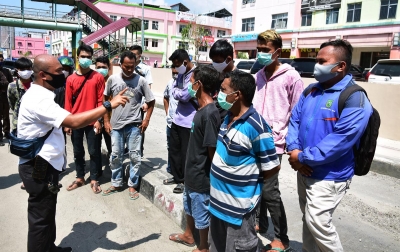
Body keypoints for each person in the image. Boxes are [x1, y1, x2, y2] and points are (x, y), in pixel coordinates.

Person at [17, 54, 128, 252]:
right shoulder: (38, 99)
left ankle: (49, 247)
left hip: (42, 162)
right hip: (37, 164)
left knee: (47, 210)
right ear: (43, 75)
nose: (63, 74)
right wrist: (108, 105)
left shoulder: (41, 94)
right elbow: (74, 121)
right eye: (58, 71)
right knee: (40, 218)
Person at [286, 39, 372, 252]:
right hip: (304, 170)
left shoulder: (355, 98)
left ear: (341, 66)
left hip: (329, 176)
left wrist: (302, 157)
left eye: (322, 61)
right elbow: (294, 120)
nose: (316, 65)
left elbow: (340, 141)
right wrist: (294, 151)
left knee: (318, 223)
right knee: (309, 222)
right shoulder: (311, 91)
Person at [208, 71, 281, 252]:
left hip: (238, 212)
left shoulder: (257, 127)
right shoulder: (227, 117)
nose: (219, 94)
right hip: (217, 206)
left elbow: (272, 167)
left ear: (237, 94)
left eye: (223, 90)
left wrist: (249, 188)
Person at [252, 30, 304, 251]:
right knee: (257, 184)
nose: (262, 53)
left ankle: (282, 239)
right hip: (254, 140)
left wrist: (293, 146)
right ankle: (261, 222)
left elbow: (297, 114)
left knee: (270, 190)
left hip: (275, 143)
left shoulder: (292, 77)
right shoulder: (258, 76)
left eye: (266, 50)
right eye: (259, 49)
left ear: (277, 51)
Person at [168, 65, 221, 252]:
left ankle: (203, 247)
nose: (188, 86)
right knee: (190, 207)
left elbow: (212, 151)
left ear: (198, 84)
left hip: (201, 176)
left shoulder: (209, 113)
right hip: (191, 173)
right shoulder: (200, 110)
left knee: (201, 212)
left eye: (191, 82)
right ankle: (189, 235)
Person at [102, 51, 155, 200]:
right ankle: (116, 182)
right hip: (116, 126)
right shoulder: (112, 80)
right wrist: (106, 120)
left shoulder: (141, 81)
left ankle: (132, 184)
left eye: (132, 66)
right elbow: (105, 100)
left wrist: (147, 120)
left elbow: (151, 101)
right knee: (116, 155)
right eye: (126, 67)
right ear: (120, 65)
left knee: (134, 156)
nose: (130, 70)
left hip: (134, 126)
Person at [64, 44, 105, 194]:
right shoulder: (70, 79)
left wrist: (98, 120)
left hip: (93, 120)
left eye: (88, 57)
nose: (86, 59)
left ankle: (94, 179)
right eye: (83, 57)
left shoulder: (98, 77)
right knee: (77, 151)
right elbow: (68, 102)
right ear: (78, 57)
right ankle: (80, 177)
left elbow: (101, 101)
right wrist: (67, 122)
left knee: (94, 151)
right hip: (75, 121)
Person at [162, 49, 196, 194]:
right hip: (177, 119)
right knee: (174, 150)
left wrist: (179, 92)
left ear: (185, 62)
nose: (176, 68)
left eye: (177, 64)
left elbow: (186, 95)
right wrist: (179, 92)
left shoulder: (197, 74)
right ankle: (176, 177)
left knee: (185, 153)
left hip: (189, 121)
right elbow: (174, 90)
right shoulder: (181, 74)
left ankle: (184, 181)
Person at [7, 57, 33, 189]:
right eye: (23, 69)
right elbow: (12, 104)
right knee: (23, 153)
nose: (26, 72)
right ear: (17, 71)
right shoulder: (12, 86)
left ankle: (38, 176)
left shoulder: (37, 85)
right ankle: (25, 179)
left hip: (34, 123)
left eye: (29, 69)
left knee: (37, 150)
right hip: (19, 124)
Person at [130, 45, 153, 157]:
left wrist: (146, 103)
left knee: (139, 127)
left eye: (134, 54)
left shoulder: (145, 69)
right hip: (128, 102)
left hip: (140, 103)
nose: (132, 56)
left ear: (140, 55)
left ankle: (139, 150)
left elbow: (148, 87)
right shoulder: (127, 65)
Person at [95, 56, 112, 157]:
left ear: (108, 68)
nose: (101, 69)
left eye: (103, 67)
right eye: (98, 67)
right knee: (95, 149)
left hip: (111, 120)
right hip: (96, 120)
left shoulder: (113, 81)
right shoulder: (92, 81)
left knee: (113, 148)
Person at [163, 67, 179, 174]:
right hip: (170, 122)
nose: (175, 75)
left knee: (179, 148)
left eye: (177, 72)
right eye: (173, 72)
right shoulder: (170, 83)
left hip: (182, 123)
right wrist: (167, 112)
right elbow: (165, 97)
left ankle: (178, 171)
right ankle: (170, 168)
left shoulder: (187, 84)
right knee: (170, 146)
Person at [0, 54, 13, 144]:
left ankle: (7, 132)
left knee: (6, 116)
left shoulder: (6, 71)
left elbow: (10, 83)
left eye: (2, 60)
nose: (1, 61)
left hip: (5, 96)